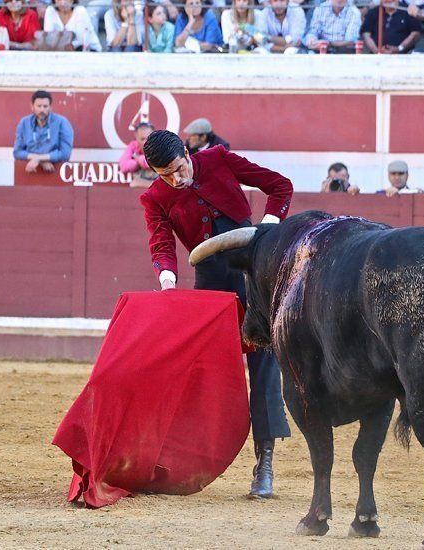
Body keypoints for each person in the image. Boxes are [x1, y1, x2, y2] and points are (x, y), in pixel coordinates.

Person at [138, 130, 293, 499]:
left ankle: (264, 463)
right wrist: (168, 280)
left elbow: (280, 186)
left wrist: (267, 229)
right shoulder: (154, 197)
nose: (176, 180)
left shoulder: (219, 159)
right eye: (165, 175)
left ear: (187, 153)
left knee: (264, 368)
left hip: (254, 278)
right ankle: (177, 458)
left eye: (178, 169)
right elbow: (160, 242)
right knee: (198, 372)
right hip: (210, 286)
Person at [13, 90, 74, 173]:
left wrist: (38, 159)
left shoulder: (62, 122)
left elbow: (65, 154)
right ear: (32, 106)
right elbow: (17, 152)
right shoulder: (24, 123)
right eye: (39, 106)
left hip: (55, 173)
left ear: (50, 107)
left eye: (45, 106)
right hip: (30, 173)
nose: (42, 109)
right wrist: (41, 160)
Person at [119, 122, 158, 188]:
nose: (146, 142)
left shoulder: (160, 144)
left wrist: (138, 158)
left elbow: (152, 162)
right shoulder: (133, 146)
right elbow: (124, 166)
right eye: (142, 139)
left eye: (149, 138)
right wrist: (137, 162)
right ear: (137, 139)